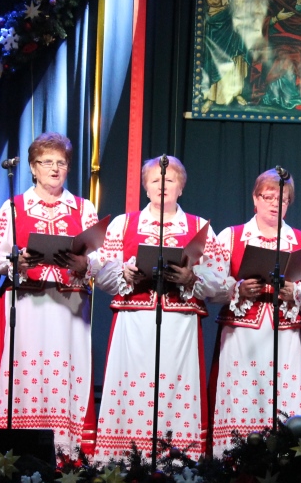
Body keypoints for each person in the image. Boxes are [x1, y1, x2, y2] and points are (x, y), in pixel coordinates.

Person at [0, 133, 99, 459]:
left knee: (67, 376)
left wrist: (85, 263)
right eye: (47, 162)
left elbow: (102, 259)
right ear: (33, 168)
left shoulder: (83, 208)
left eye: (61, 162)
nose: (55, 169)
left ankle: (67, 456)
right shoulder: (13, 207)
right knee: (24, 376)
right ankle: (15, 454)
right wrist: (16, 261)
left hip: (68, 311)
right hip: (26, 308)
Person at [90, 156, 217, 462]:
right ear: (145, 187)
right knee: (134, 388)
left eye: (169, 180)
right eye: (156, 180)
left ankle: (177, 460)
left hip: (179, 322)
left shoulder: (199, 227)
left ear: (181, 187)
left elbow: (219, 280)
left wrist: (191, 278)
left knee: (175, 389)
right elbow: (101, 272)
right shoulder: (123, 224)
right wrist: (125, 273)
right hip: (135, 320)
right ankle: (125, 459)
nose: (162, 186)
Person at [203, 169, 301, 457]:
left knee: (280, 400)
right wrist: (238, 289)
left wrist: (295, 292)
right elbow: (210, 287)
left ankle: (282, 460)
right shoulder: (231, 236)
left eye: (282, 199)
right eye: (268, 197)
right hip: (241, 334)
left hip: (283, 334)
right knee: (240, 396)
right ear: (255, 199)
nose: (275, 203)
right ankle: (233, 459)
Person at [202, 0, 251, 111]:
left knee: (236, 55)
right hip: (220, 20)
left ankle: (236, 92)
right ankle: (211, 96)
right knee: (218, 57)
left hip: (238, 18)